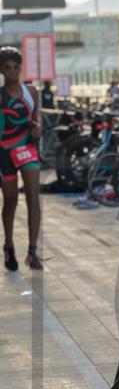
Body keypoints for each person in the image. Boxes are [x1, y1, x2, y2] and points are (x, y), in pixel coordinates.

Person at [0, 46, 43, 270]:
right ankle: (8, 246)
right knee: (11, 201)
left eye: (16, 67)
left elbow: (38, 119)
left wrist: (37, 128)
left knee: (33, 198)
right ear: (1, 70)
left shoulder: (32, 92)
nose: (12, 71)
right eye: (7, 67)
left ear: (20, 67)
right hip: (4, 154)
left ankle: (32, 252)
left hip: (27, 149)